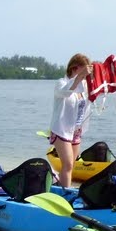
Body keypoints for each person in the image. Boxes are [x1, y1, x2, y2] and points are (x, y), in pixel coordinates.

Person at [48, 53, 93, 187]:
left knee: (71, 166)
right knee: (67, 164)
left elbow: (98, 92)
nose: (85, 75)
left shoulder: (84, 85)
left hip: (76, 131)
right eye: (83, 70)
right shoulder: (61, 83)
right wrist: (80, 77)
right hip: (61, 130)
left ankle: (61, 187)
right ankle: (65, 195)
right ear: (74, 68)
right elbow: (65, 92)